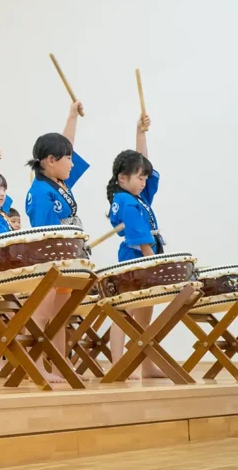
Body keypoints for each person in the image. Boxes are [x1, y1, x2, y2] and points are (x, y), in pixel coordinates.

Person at [23, 100, 89, 383]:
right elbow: (43, 234)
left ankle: (60, 362)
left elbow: (66, 144)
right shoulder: (40, 192)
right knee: (42, 314)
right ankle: (34, 364)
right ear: (51, 161)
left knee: (61, 317)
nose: (73, 163)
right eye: (68, 159)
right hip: (49, 261)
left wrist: (72, 116)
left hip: (67, 260)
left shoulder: (60, 185)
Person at [107, 113, 166, 378]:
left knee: (144, 313)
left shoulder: (137, 197)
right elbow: (140, 235)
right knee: (126, 312)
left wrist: (140, 134)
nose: (143, 182)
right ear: (122, 178)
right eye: (138, 178)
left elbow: (147, 166)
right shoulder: (126, 200)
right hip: (136, 258)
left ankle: (145, 364)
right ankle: (120, 362)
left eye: (144, 179)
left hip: (146, 256)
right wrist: (151, 261)